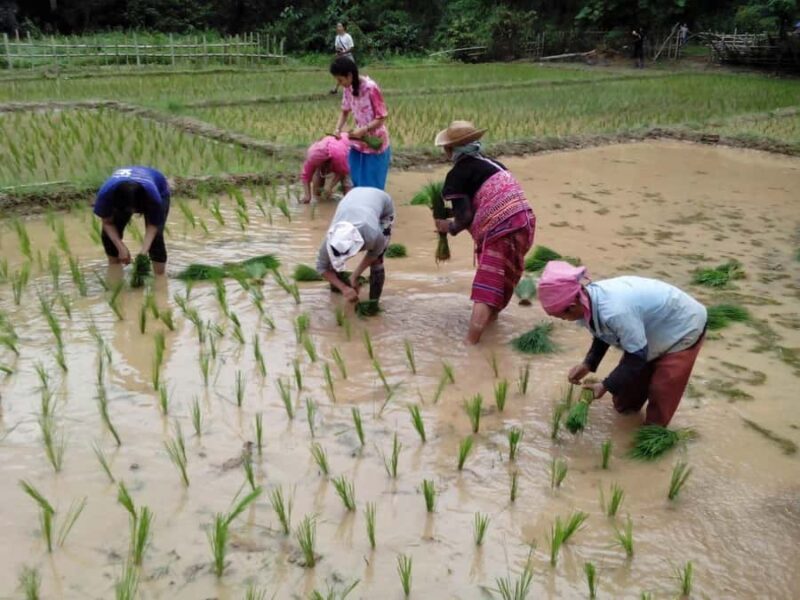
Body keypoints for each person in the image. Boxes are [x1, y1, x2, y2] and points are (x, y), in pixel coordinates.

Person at [537, 261, 707, 427]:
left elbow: (637, 356)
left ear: (572, 306)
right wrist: (588, 364)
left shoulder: (615, 311)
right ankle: (627, 419)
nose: (564, 320)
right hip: (648, 327)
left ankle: (653, 432)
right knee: (625, 399)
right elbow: (602, 332)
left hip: (683, 325)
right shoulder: (587, 302)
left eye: (562, 317)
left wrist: (604, 386)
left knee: (662, 388)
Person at [432, 121, 536, 344]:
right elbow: (480, 200)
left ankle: (471, 344)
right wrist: (451, 214)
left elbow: (465, 216)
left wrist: (448, 227)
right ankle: (491, 326)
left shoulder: (456, 175)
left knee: (487, 285)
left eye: (446, 148)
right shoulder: (494, 164)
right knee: (502, 277)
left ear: (451, 150)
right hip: (524, 222)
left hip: (502, 229)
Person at [316, 187, 394, 303]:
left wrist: (355, 275)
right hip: (353, 196)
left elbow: (374, 254)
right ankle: (338, 292)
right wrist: (344, 288)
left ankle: (373, 304)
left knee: (377, 261)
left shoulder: (371, 234)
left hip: (381, 202)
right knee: (331, 264)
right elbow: (321, 268)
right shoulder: (329, 240)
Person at [93, 166, 171, 274]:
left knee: (156, 238)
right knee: (108, 237)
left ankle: (160, 276)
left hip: (158, 187)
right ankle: (114, 267)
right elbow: (107, 223)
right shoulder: (106, 195)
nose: (133, 212)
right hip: (122, 196)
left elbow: (153, 225)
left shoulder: (153, 196)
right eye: (130, 210)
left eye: (136, 209)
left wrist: (143, 254)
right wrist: (120, 247)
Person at [330, 57, 391, 190]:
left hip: (375, 142)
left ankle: (374, 209)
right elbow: (344, 111)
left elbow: (382, 117)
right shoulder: (348, 88)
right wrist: (337, 129)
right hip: (358, 142)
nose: (339, 83)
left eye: (340, 79)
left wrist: (364, 129)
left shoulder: (370, 87)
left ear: (350, 75)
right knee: (356, 181)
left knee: (373, 186)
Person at [300, 133, 353, 203]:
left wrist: (330, 186)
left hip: (346, 152)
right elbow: (305, 176)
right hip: (328, 146)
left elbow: (342, 172)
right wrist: (307, 196)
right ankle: (319, 199)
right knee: (317, 184)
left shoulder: (339, 157)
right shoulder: (313, 156)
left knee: (347, 187)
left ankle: (349, 200)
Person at [330, 21, 355, 94]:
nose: (338, 28)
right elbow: (337, 47)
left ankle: (354, 88)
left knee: (352, 73)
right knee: (340, 74)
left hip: (348, 57)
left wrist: (344, 52)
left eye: (340, 26)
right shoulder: (337, 37)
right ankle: (335, 89)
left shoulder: (348, 36)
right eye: (337, 26)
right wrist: (337, 53)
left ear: (344, 27)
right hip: (341, 58)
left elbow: (352, 47)